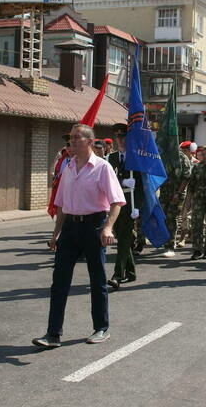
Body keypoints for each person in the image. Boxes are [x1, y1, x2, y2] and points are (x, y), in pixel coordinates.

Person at [33, 124, 125, 348]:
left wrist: (107, 228)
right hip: (70, 229)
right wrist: (56, 234)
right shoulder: (68, 167)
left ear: (90, 142)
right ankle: (53, 334)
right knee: (60, 282)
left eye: (76, 138)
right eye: (70, 138)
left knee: (97, 280)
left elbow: (116, 202)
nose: (72, 142)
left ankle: (101, 328)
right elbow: (62, 205)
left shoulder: (103, 168)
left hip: (93, 226)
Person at [106, 123, 141, 290]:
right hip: (115, 204)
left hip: (130, 204)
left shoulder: (136, 158)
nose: (120, 140)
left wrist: (138, 207)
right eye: (117, 137)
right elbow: (107, 182)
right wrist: (121, 182)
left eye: (123, 137)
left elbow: (144, 186)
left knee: (124, 239)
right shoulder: (110, 158)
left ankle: (117, 275)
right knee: (122, 237)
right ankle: (131, 272)